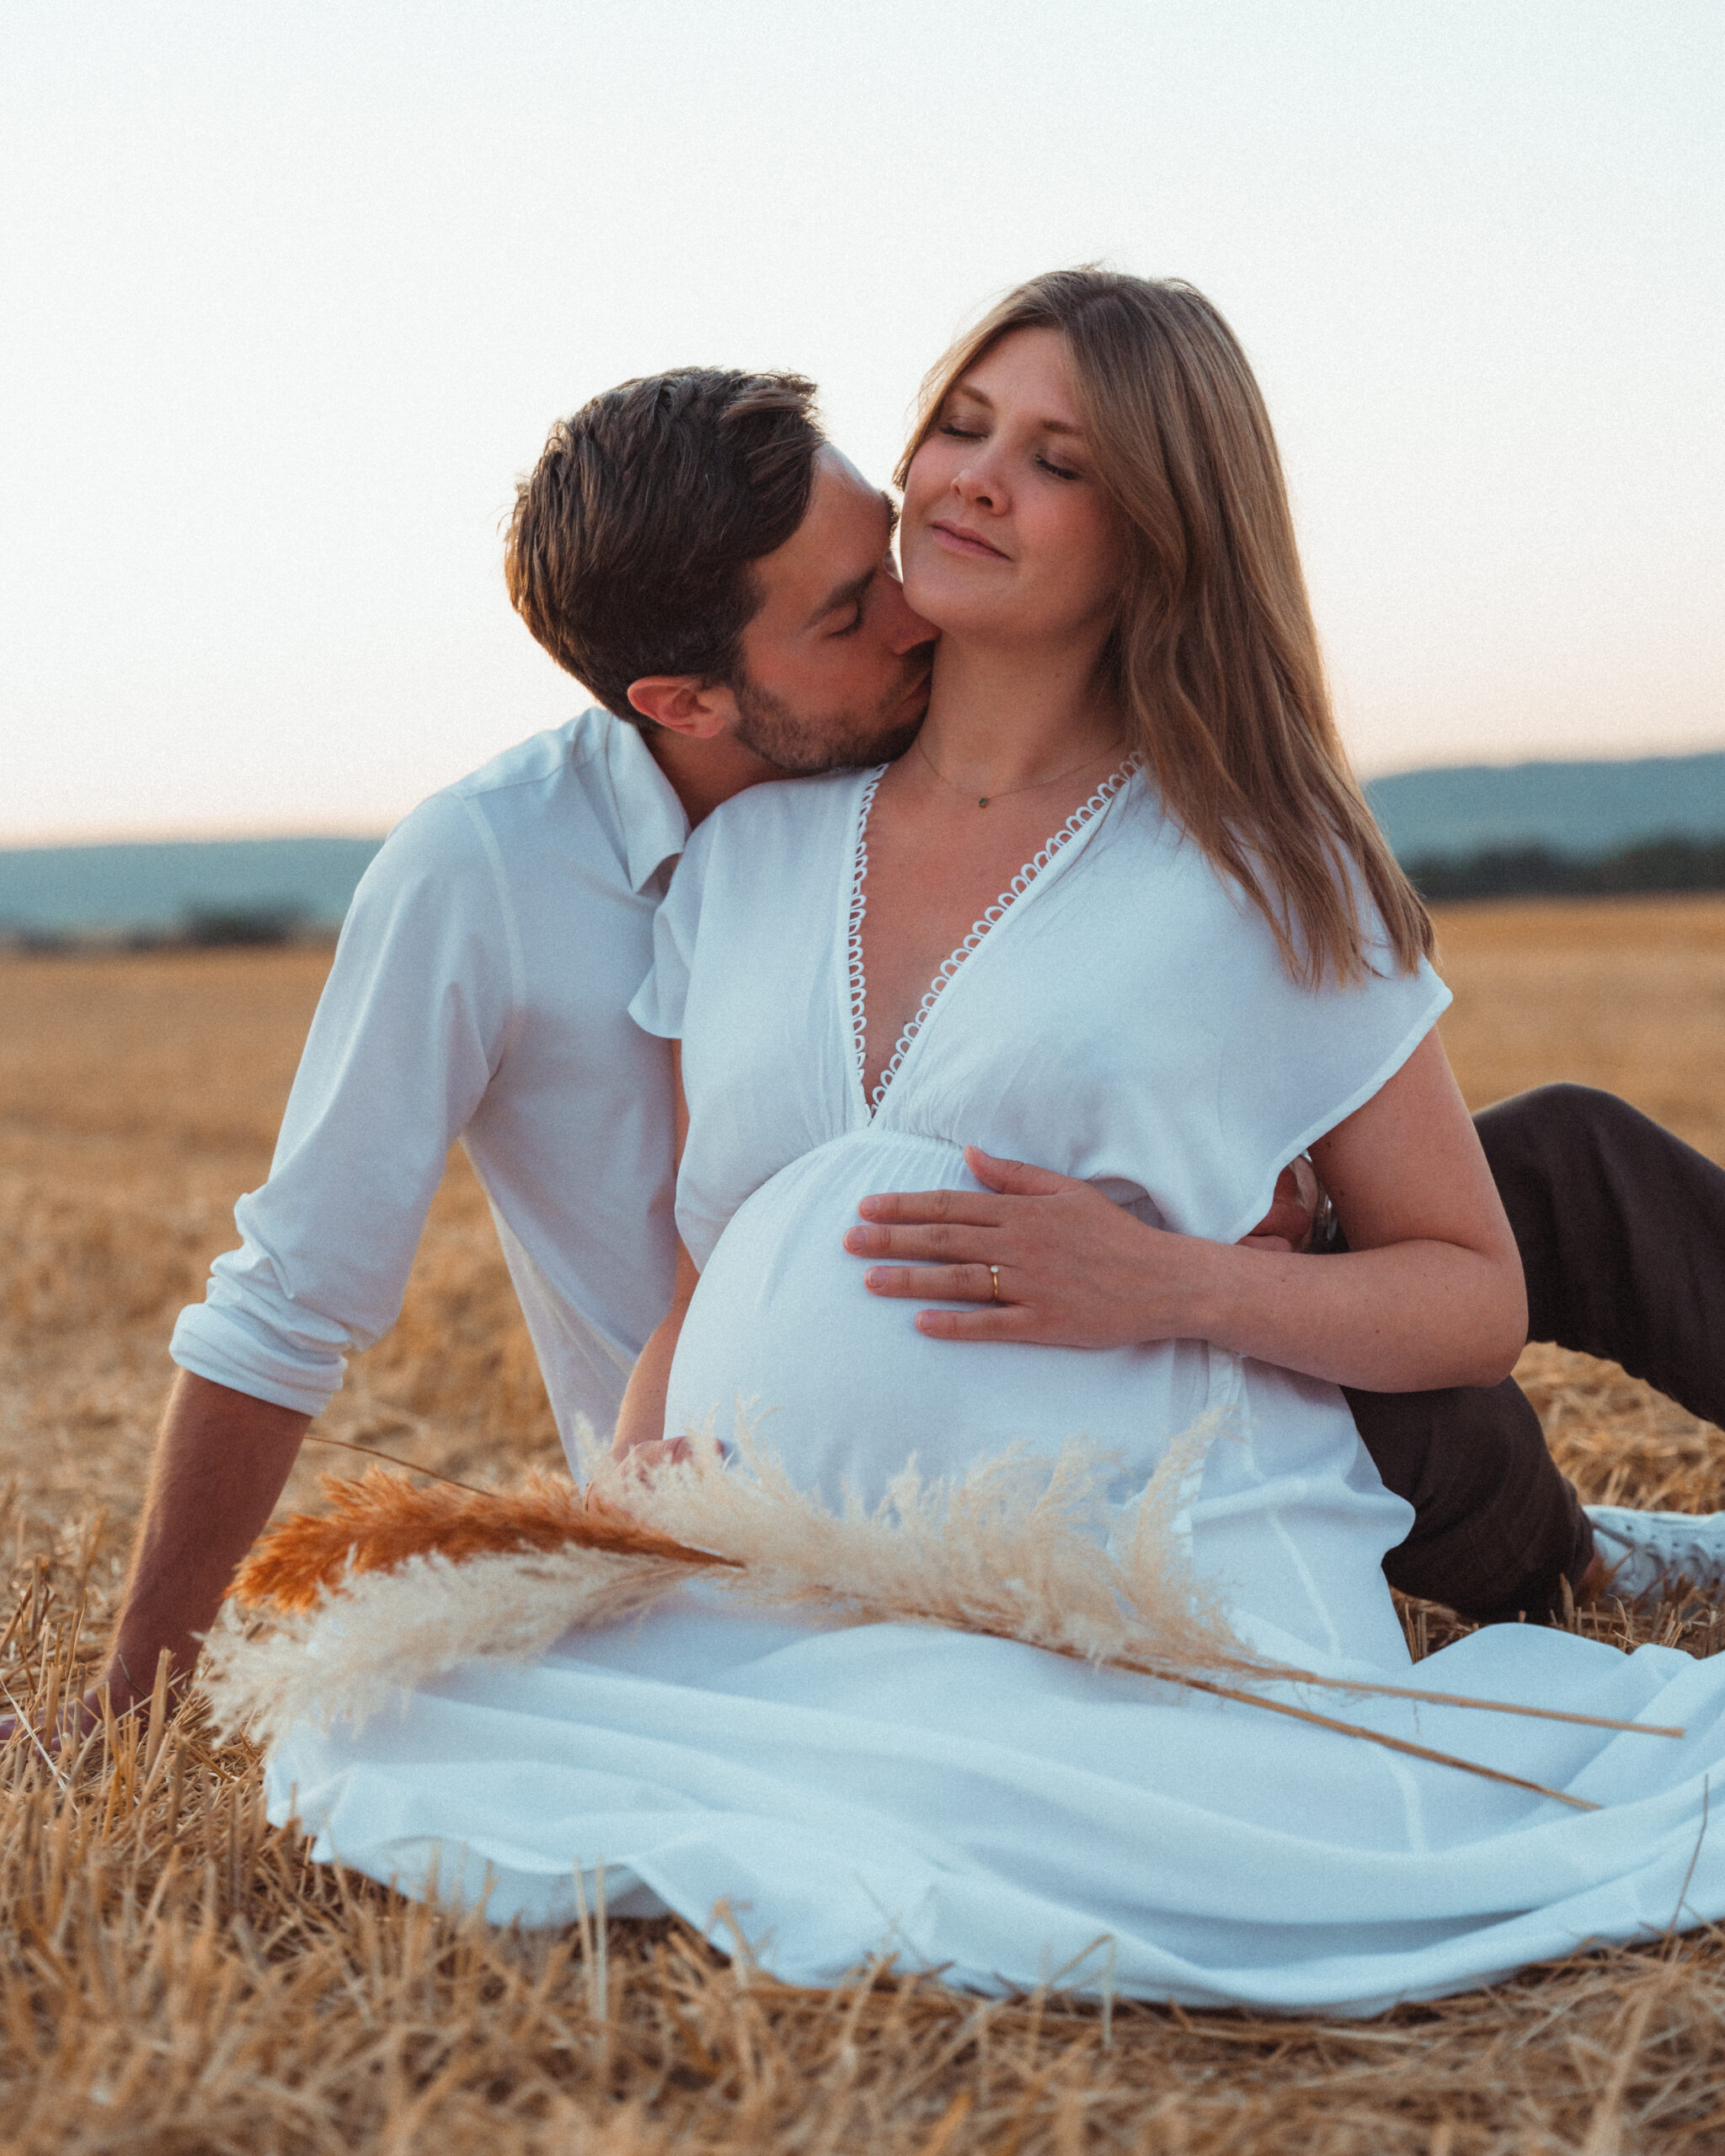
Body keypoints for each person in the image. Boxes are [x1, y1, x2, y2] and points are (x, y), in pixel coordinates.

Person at [260, 273, 1725, 2014]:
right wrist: (627, 1499)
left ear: (1157, 538)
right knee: (420, 1717)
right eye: (960, 423)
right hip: (801, 1583)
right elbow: (721, 1249)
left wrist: (1166, 1277)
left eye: (1056, 462)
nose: (970, 476)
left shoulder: (1257, 862)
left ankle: (1577, 1561)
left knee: (1561, 1172)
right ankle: (1588, 1555)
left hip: (1128, 1579)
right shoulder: (749, 856)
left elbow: (1469, 1296)